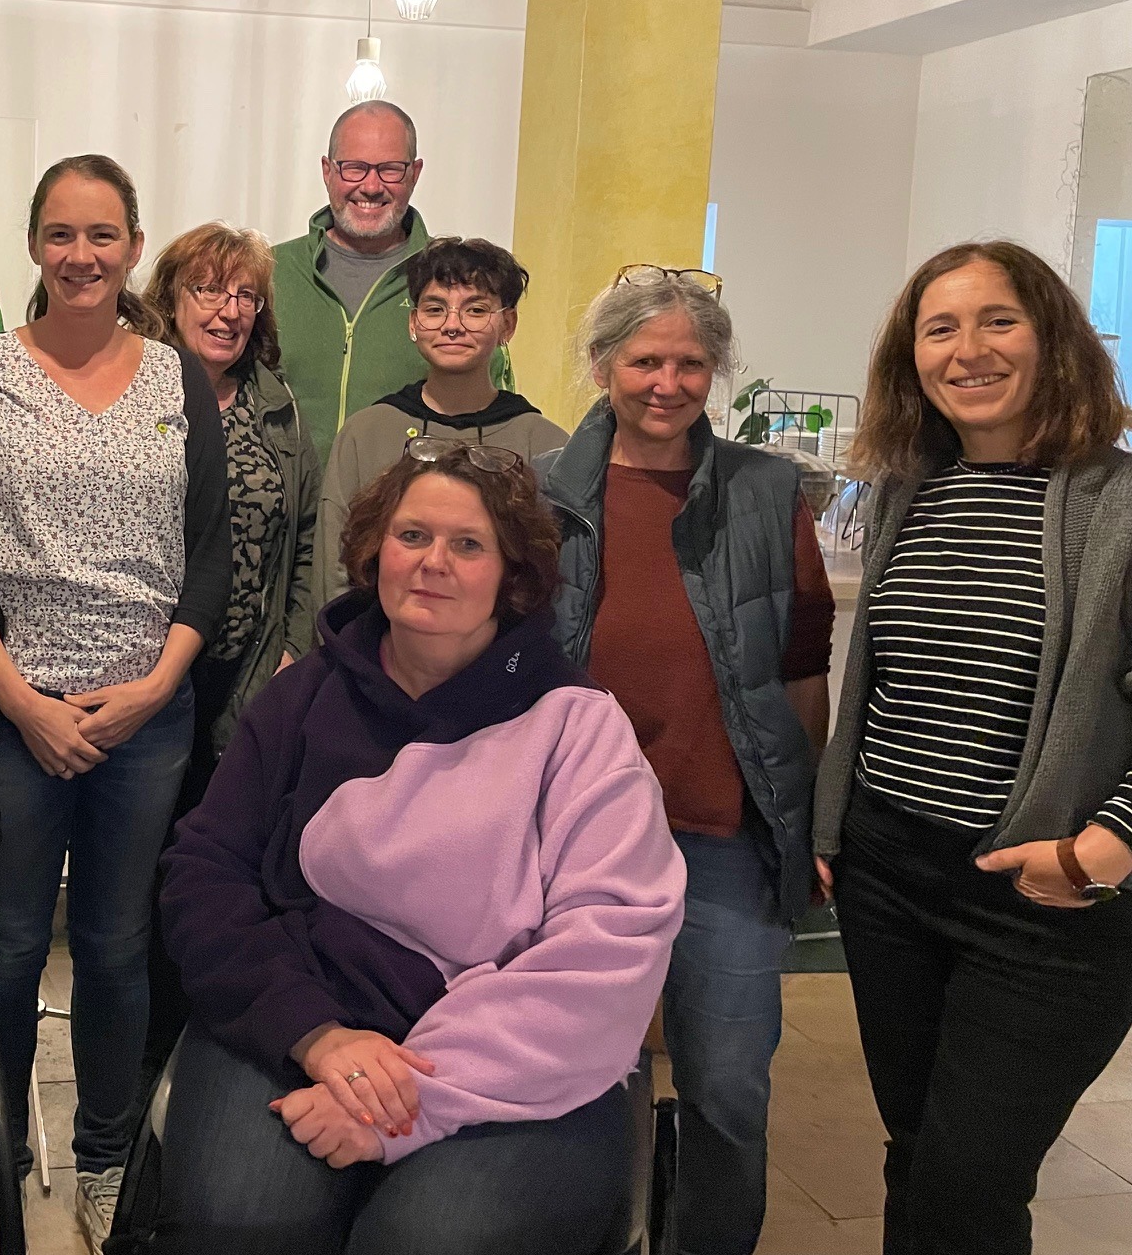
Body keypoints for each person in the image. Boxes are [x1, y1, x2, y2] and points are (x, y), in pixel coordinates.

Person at [158, 444, 684, 1255]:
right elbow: (205, 874)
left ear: (513, 576)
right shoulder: (303, 697)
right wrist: (317, 1036)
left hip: (507, 1060)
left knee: (427, 1241)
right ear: (376, 552)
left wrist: (411, 1095)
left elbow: (609, 946)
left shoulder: (577, 728)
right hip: (306, 1014)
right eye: (412, 536)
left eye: (468, 544)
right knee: (242, 1222)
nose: (433, 562)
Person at [0, 154, 230, 1246]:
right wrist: (24, 702)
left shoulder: (178, 379)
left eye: (102, 235)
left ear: (134, 246)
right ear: (34, 244)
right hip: (11, 714)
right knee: (2, 945)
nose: (81, 255)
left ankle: (104, 1159)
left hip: (148, 717)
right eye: (60, 233)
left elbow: (209, 556)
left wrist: (157, 686)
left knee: (115, 946)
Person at [813, 241, 1132, 1255]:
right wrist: (837, 827)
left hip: (1046, 901)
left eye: (999, 320)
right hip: (890, 878)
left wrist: (1103, 848)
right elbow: (882, 685)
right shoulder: (912, 490)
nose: (969, 350)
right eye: (939, 329)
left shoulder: (1118, 502)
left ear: (1053, 337)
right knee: (917, 1152)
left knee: (969, 1182)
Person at [535, 266, 833, 1255]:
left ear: (716, 371)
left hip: (723, 839)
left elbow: (803, 670)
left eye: (691, 364)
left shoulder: (768, 492)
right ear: (602, 366)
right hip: (577, 843)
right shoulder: (540, 491)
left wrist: (805, 819)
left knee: (730, 1085)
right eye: (645, 361)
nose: (668, 383)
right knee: (579, 1076)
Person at [140, 220, 320, 1088]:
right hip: (142, 681)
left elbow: (308, 534)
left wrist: (292, 649)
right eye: (208, 289)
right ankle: (138, 1077)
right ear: (170, 298)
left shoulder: (278, 408)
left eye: (245, 294)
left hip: (245, 684)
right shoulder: (134, 391)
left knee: (216, 884)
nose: (229, 309)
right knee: (138, 890)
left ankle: (205, 1071)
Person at [316, 237, 566, 605]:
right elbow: (334, 573)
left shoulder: (544, 445)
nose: (452, 325)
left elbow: (553, 580)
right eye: (435, 309)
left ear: (507, 324)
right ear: (413, 322)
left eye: (476, 310)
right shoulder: (365, 434)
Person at [273, 101, 474, 468]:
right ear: (327, 171)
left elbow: (486, 416)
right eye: (354, 168)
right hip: (280, 506)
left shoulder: (455, 284)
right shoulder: (269, 273)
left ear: (414, 173)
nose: (370, 186)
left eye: (390, 169)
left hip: (403, 503)